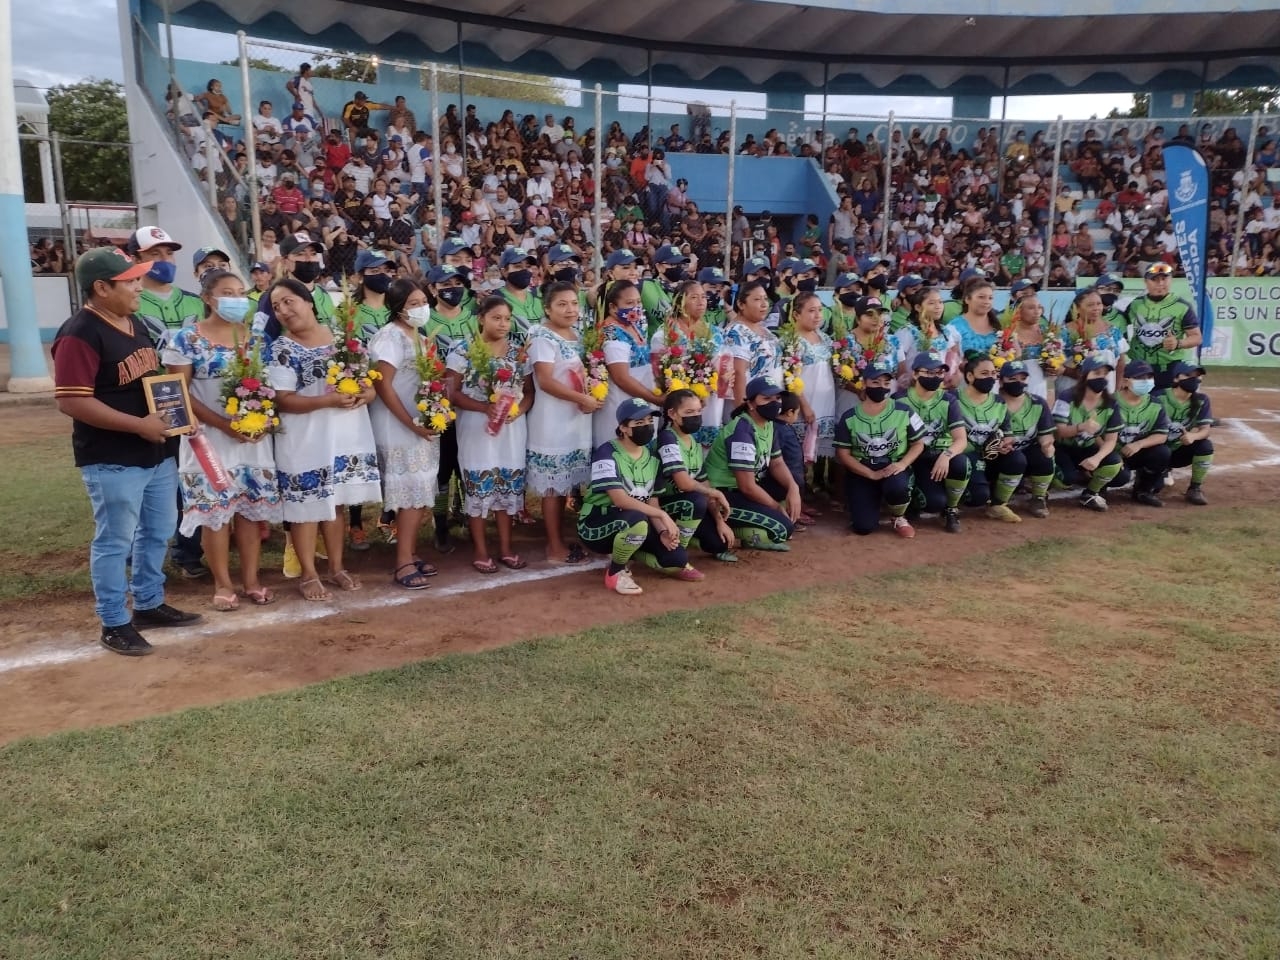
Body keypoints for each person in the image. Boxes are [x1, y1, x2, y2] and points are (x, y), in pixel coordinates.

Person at [52, 247, 201, 656]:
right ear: (101, 287)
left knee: (158, 531)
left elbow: (151, 380)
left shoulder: (132, 321)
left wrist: (179, 416)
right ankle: (114, 621)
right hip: (112, 455)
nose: (139, 286)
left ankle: (149, 603)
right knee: (116, 540)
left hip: (156, 451)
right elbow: (71, 401)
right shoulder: (79, 333)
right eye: (130, 280)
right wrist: (139, 425)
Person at [161, 270, 282, 611]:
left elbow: (269, 388)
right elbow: (179, 392)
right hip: (207, 440)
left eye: (241, 292)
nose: (237, 298)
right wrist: (224, 425)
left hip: (252, 441)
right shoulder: (186, 339)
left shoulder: (258, 340)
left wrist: (263, 421)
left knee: (248, 511)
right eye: (227, 292)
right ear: (208, 298)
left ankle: (252, 580)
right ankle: (222, 583)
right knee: (215, 514)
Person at [267, 279, 381, 601]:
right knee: (306, 507)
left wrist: (366, 394)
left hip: (345, 435)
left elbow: (369, 384)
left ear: (309, 302)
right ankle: (309, 573)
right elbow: (283, 399)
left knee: (337, 502)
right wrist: (326, 402)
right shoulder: (282, 350)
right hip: (305, 438)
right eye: (276, 307)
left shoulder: (345, 339)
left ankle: (336, 567)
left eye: (289, 302)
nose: (284, 311)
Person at [445, 296, 533, 573]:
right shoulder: (462, 349)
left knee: (507, 487)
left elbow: (529, 392)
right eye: (496, 318)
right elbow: (451, 392)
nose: (503, 324)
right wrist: (485, 407)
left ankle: (506, 548)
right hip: (476, 427)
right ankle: (481, 550)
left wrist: (517, 411)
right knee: (480, 486)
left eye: (507, 318)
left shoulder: (519, 352)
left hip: (511, 428)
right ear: (481, 318)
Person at [369, 279, 442, 589]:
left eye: (422, 301)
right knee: (410, 494)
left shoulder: (421, 337)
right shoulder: (389, 338)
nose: (420, 308)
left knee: (420, 491)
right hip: (398, 425)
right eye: (412, 303)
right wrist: (410, 422)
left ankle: (409, 552)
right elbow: (382, 384)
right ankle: (402, 562)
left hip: (420, 424)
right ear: (397, 308)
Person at [578, 397, 689, 595]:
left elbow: (652, 500)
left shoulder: (653, 459)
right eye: (639, 423)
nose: (646, 426)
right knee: (636, 519)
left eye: (649, 422)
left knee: (676, 560)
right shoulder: (606, 452)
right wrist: (663, 516)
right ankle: (616, 572)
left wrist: (663, 532)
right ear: (623, 428)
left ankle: (630, 550)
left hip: (637, 523)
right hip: (596, 523)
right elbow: (619, 500)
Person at [525, 282, 601, 564]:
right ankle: (554, 545)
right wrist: (581, 398)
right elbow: (545, 381)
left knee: (566, 483)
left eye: (573, 303)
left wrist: (589, 396)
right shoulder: (542, 337)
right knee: (553, 487)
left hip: (576, 418)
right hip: (553, 420)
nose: (570, 309)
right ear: (547, 308)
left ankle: (564, 536)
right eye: (562, 304)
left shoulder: (577, 334)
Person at [704, 377, 803, 551]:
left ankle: (750, 524)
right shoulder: (742, 431)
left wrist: (793, 488)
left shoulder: (768, 424)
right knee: (781, 529)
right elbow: (747, 487)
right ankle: (741, 531)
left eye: (777, 398)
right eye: (766, 399)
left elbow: (777, 462)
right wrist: (775, 507)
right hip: (723, 494)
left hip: (745, 487)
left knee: (791, 486)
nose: (774, 403)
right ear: (750, 404)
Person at [833, 358, 926, 538]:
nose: (881, 387)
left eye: (886, 382)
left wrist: (903, 464)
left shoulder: (904, 410)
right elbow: (843, 454)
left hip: (893, 467)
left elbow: (918, 443)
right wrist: (870, 474)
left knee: (897, 485)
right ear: (863, 383)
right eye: (875, 382)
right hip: (863, 471)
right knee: (863, 527)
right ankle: (871, 500)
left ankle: (898, 516)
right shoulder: (849, 417)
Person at [655, 389, 738, 563]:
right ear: (672, 414)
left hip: (687, 504)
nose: (696, 416)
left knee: (720, 544)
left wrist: (718, 521)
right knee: (696, 500)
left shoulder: (693, 441)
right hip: (662, 506)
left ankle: (687, 534)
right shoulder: (667, 438)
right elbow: (684, 483)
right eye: (689, 412)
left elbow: (704, 483)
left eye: (699, 411)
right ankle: (676, 549)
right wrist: (714, 493)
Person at [650, 280, 728, 445]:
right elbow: (659, 374)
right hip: (680, 401)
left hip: (710, 399)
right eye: (694, 297)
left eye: (703, 297)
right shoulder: (665, 334)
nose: (701, 302)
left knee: (707, 448)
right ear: (680, 302)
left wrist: (712, 383)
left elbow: (722, 367)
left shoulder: (714, 332)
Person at [898, 352, 969, 533]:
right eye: (929, 373)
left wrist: (946, 455)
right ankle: (913, 500)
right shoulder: (899, 400)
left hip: (939, 455)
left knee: (961, 463)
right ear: (915, 374)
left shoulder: (948, 400)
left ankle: (951, 509)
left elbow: (961, 440)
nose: (935, 377)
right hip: (913, 459)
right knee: (932, 503)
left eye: (939, 373)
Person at [956, 353, 1024, 523]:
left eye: (993, 374)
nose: (990, 378)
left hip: (991, 455)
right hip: (963, 457)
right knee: (978, 497)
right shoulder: (952, 399)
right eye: (984, 373)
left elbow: (1008, 434)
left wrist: (1005, 444)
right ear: (970, 376)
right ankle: (950, 504)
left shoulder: (999, 402)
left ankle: (998, 505)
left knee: (1017, 459)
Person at [1053, 356, 1125, 512]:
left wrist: (1097, 458)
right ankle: (1047, 486)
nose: (1102, 377)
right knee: (1066, 479)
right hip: (1062, 447)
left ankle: (1090, 493)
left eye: (1105, 374)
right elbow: (1059, 431)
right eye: (1096, 373)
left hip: (1088, 446)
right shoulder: (1067, 396)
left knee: (1119, 472)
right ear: (1085, 375)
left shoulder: (1111, 403)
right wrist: (1081, 427)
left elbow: (1111, 440)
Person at [593, 280, 657, 448]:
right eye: (629, 303)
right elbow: (621, 377)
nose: (636, 307)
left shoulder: (632, 325)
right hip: (622, 400)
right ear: (613, 307)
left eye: (638, 302)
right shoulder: (612, 332)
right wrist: (655, 399)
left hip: (641, 398)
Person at [1124, 262, 1202, 389]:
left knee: (1166, 404)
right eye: (1154, 279)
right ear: (1146, 282)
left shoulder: (1182, 306)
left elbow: (1196, 337)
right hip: (1139, 367)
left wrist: (1178, 343)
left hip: (1170, 367)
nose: (1160, 283)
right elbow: (1120, 324)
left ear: (1171, 280)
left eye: (1164, 278)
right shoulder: (1135, 305)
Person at [996, 360, 1057, 519]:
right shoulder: (993, 402)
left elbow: (1046, 434)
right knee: (1016, 459)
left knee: (1046, 456)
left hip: (1026, 450)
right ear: (1001, 380)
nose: (1018, 383)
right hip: (997, 454)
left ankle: (1038, 498)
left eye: (1022, 378)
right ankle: (999, 503)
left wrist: (1047, 445)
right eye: (1012, 379)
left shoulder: (1038, 402)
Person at [1109, 359, 1172, 507]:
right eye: (1139, 378)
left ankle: (1143, 490)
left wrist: (1139, 444)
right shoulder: (1110, 402)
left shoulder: (1155, 403)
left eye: (1149, 377)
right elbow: (1097, 435)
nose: (1146, 381)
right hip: (1111, 453)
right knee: (1119, 477)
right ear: (1125, 381)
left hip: (1137, 452)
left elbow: (1162, 435)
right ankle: (1099, 488)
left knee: (1162, 453)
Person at [1158, 360, 1214, 505]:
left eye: (1198, 376)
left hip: (1179, 451)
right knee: (1154, 488)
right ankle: (1147, 474)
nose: (1194, 379)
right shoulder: (1159, 398)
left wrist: (1193, 436)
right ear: (1176, 378)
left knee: (1205, 446)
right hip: (1155, 451)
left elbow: (1205, 430)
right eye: (1189, 375)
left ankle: (1195, 488)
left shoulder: (1202, 400)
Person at [724, 280, 782, 410]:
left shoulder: (765, 330)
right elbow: (738, 372)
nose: (764, 304)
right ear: (740, 304)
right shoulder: (737, 331)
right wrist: (743, 409)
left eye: (765, 299)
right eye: (757, 299)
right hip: (752, 406)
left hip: (770, 403)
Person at [945, 277, 1002, 356]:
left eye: (990, 298)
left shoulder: (1000, 325)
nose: (987, 302)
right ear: (967, 299)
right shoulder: (954, 328)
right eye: (981, 297)